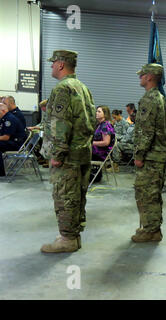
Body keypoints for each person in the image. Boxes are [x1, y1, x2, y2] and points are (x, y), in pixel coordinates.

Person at [40, 50, 96, 253]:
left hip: (68, 155)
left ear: (61, 65)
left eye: (53, 63)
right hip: (81, 152)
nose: (51, 66)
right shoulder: (82, 87)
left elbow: (60, 124)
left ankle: (67, 239)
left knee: (64, 196)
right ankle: (73, 235)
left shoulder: (62, 88)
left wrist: (58, 153)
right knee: (77, 196)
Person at [131, 63, 166, 243]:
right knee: (152, 194)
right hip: (157, 155)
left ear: (149, 77)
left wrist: (139, 155)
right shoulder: (160, 98)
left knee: (147, 194)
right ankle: (152, 228)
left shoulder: (149, 99)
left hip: (151, 156)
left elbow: (146, 131)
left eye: (142, 75)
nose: (140, 77)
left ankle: (151, 230)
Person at [90, 105, 115, 182]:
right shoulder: (100, 124)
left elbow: (106, 142)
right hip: (96, 151)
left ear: (105, 114)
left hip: (101, 154)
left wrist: (92, 143)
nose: (96, 113)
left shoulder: (105, 125)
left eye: (99, 111)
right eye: (96, 111)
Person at [0, 103, 26, 176]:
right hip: (10, 142)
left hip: (16, 144)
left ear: (3, 110)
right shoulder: (4, 118)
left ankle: (1, 173)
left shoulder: (10, 119)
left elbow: (6, 137)